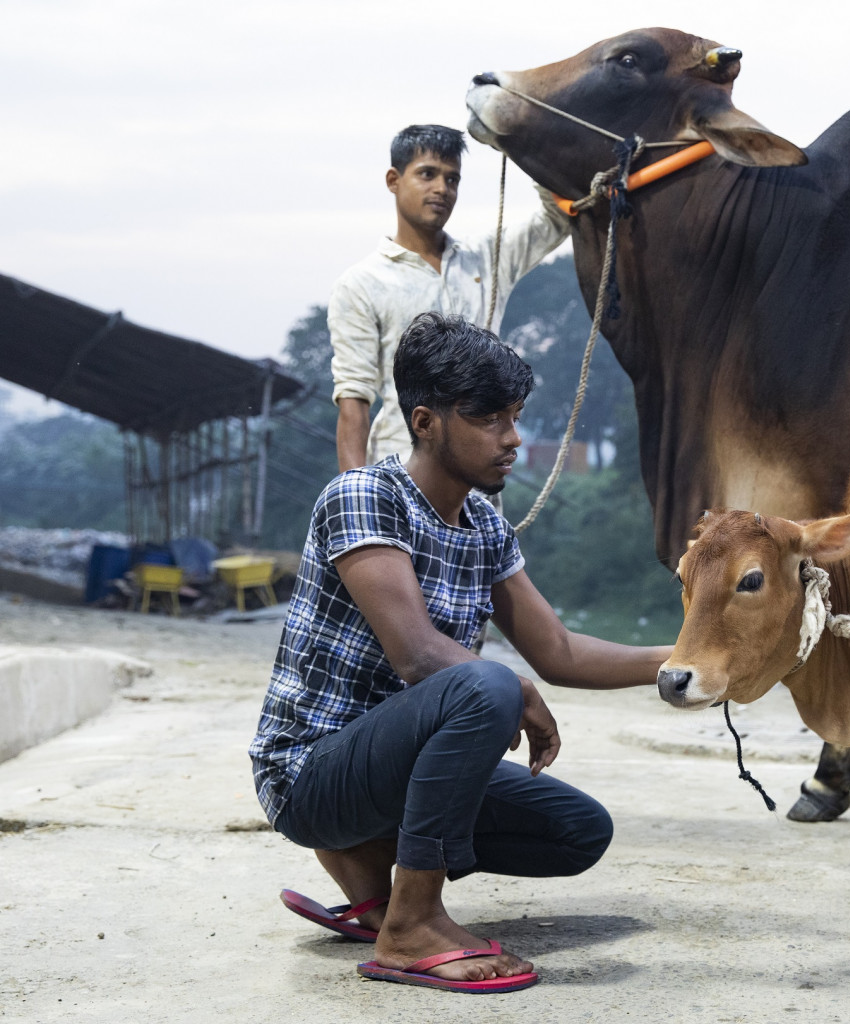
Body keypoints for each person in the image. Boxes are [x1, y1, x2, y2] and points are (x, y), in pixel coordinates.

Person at [249, 312, 669, 992]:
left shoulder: (482, 523)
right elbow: (417, 655)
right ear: (425, 422)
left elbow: (558, 649)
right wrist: (513, 688)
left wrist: (685, 660)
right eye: (489, 419)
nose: (511, 438)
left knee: (576, 831)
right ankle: (409, 925)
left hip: (394, 770)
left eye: (515, 416)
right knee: (489, 686)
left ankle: (370, 876)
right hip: (312, 774)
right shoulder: (364, 497)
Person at [331, 124, 568, 472]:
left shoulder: (487, 257)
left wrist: (520, 135)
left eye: (452, 179)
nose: (442, 188)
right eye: (427, 174)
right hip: (401, 475)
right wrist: (354, 500)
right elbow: (354, 402)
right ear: (393, 180)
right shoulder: (362, 283)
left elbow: (558, 215)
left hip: (480, 476)